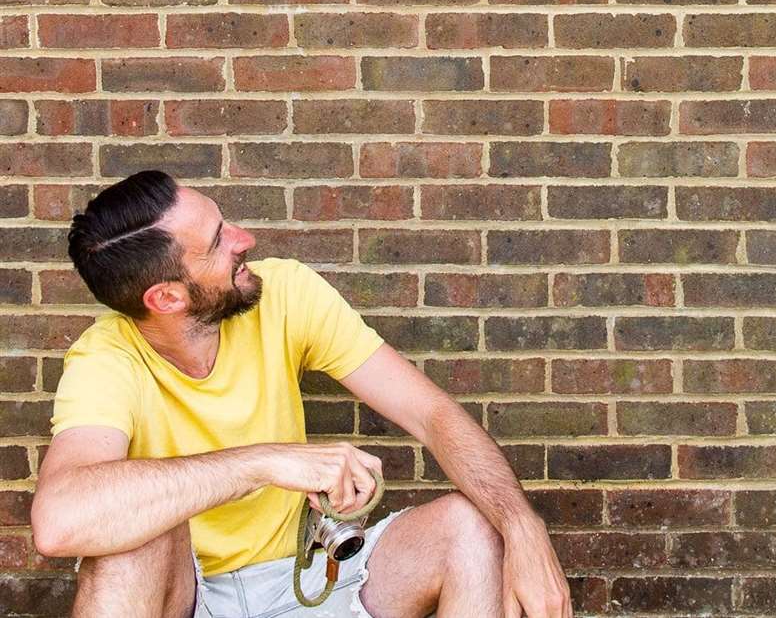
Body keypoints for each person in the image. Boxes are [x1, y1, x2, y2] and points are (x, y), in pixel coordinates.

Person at [31, 171, 572, 618]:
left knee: (471, 526)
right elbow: (58, 522)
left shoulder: (285, 292)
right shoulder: (105, 359)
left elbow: (432, 414)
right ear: (167, 296)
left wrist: (524, 527)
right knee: (128, 546)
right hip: (190, 596)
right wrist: (265, 463)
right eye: (219, 242)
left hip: (310, 580)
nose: (245, 240)